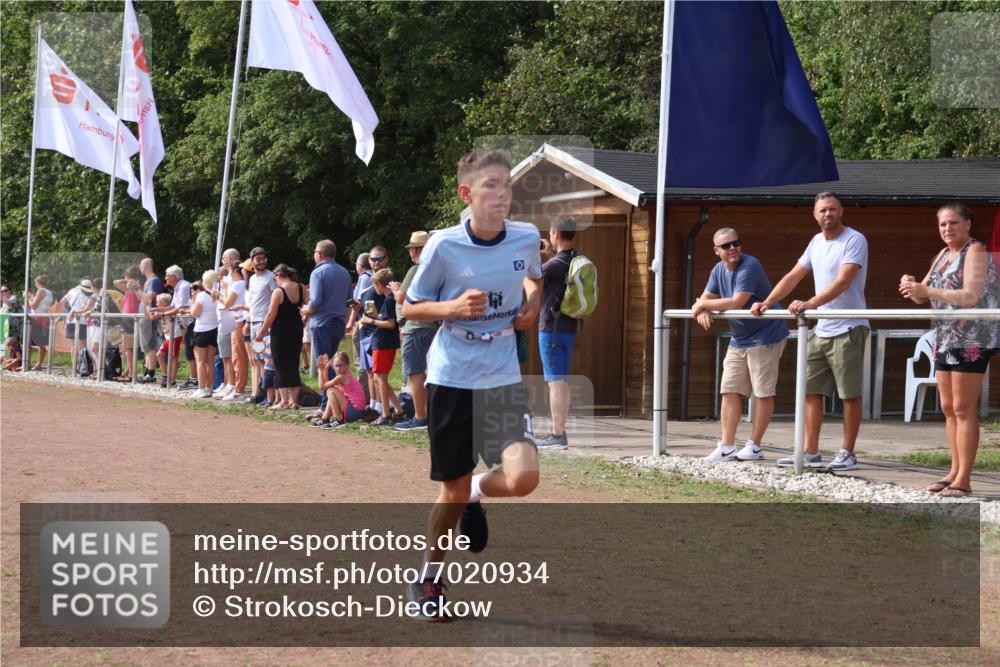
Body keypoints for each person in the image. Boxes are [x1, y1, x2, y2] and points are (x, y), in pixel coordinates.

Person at [402, 148, 542, 619]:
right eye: (491, 186)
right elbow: (411, 306)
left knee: (524, 479)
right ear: (467, 193)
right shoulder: (443, 246)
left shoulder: (526, 237)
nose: (502, 195)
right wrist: (453, 308)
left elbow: (534, 280)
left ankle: (477, 492)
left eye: (507, 186)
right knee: (451, 492)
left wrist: (532, 305)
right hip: (452, 376)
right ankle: (428, 579)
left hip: (501, 373)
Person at [751, 192, 869, 471]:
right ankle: (810, 452)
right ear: (814, 215)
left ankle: (848, 453)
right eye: (823, 210)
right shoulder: (816, 242)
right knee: (809, 391)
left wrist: (810, 304)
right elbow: (794, 275)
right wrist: (767, 302)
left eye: (832, 209)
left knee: (849, 394)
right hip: (821, 328)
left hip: (849, 327)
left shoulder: (854, 239)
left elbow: (843, 281)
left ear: (841, 211)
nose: (828, 214)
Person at [900, 202, 1000, 497]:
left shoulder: (976, 251)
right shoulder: (942, 255)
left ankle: (964, 479)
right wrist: (912, 286)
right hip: (945, 336)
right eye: (942, 224)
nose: (947, 229)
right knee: (948, 408)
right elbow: (922, 296)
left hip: (973, 337)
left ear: (968, 224)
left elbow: (970, 295)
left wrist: (927, 291)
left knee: (962, 408)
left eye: (953, 223)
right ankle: (954, 472)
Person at [693, 228, 789, 462]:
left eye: (736, 243)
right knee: (729, 390)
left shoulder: (750, 265)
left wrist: (703, 306)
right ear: (716, 250)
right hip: (739, 338)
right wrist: (701, 309)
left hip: (766, 335)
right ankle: (727, 446)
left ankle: (754, 447)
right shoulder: (718, 270)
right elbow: (704, 299)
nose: (732, 248)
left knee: (762, 392)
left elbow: (737, 302)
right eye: (726, 246)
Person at [535, 215, 583, 450]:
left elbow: (531, 277)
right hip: (569, 328)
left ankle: (557, 435)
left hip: (551, 330)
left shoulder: (553, 265)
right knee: (562, 381)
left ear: (555, 233)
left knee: (554, 382)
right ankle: (560, 432)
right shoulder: (576, 259)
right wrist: (549, 255)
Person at [394, 231, 436, 431]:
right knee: (431, 374)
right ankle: (431, 414)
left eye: (412, 248)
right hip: (434, 326)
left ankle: (420, 417)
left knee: (415, 373)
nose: (410, 252)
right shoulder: (438, 270)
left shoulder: (415, 269)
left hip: (416, 326)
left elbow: (401, 298)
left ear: (417, 250)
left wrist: (395, 290)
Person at [255, 263, 306, 409]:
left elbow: (271, 315)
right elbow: (308, 307)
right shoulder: (301, 287)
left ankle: (283, 401)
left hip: (280, 331)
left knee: (280, 365)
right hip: (296, 329)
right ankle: (294, 401)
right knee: (293, 364)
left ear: (279, 276)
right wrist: (304, 320)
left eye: (275, 278)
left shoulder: (278, 292)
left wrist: (261, 334)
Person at [360, 268, 403, 426]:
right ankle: (398, 410)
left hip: (384, 342)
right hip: (384, 342)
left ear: (379, 284)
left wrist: (370, 321)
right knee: (380, 378)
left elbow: (390, 324)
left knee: (380, 378)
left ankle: (385, 413)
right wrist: (377, 316)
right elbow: (388, 319)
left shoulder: (389, 300)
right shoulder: (389, 299)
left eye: (375, 285)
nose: (374, 288)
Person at [301, 239, 353, 366]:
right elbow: (349, 301)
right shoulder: (344, 272)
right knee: (333, 364)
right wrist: (346, 321)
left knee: (323, 365)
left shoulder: (318, 272)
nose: (314, 255)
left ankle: (327, 381)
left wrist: (305, 309)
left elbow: (316, 301)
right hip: (339, 323)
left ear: (320, 253)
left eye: (314, 252)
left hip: (322, 324)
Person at [245, 247, 278, 404]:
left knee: (267, 359)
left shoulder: (270, 276)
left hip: (265, 323)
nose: (262, 261)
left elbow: (276, 298)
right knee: (257, 358)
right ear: (252, 261)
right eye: (258, 259)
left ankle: (269, 395)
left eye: (264, 258)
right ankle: (258, 392)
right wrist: (247, 321)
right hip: (254, 322)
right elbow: (252, 302)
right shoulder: (252, 279)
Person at [152, 266, 193, 387]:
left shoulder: (184, 286)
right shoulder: (178, 287)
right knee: (185, 354)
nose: (165, 278)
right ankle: (169, 377)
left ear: (174, 277)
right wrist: (155, 309)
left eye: (167, 275)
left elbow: (179, 308)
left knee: (184, 355)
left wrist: (162, 314)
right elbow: (173, 306)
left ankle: (177, 379)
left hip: (185, 325)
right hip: (182, 326)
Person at [311, 351, 367, 428]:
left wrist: (320, 370)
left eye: (341, 365)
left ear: (347, 365)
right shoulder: (344, 375)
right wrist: (325, 369)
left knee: (331, 391)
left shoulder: (342, 377)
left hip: (354, 412)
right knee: (331, 391)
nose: (338, 368)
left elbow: (322, 387)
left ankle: (338, 419)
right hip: (355, 412)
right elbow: (327, 385)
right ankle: (325, 418)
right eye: (336, 366)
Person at [189, 272, 221, 399]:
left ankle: (201, 388)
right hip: (214, 329)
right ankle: (208, 387)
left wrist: (192, 304)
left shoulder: (202, 295)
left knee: (200, 361)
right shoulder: (218, 295)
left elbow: (195, 313)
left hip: (202, 330)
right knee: (210, 361)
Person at [220, 262, 249, 401]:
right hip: (238, 319)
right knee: (240, 356)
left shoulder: (238, 284)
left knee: (238, 356)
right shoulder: (244, 284)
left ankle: (239, 388)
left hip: (238, 320)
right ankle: (239, 386)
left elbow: (227, 303)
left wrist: (223, 290)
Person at [113, 265, 144, 381]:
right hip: (129, 319)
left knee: (128, 349)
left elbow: (116, 282)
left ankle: (131, 374)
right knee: (127, 349)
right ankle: (128, 371)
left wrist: (128, 280)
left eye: (127, 276)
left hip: (130, 320)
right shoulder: (133, 289)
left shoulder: (134, 288)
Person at [137, 258, 166, 383]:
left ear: (145, 266)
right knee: (146, 346)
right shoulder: (148, 281)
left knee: (150, 345)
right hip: (145, 316)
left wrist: (137, 289)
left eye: (141, 265)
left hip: (149, 316)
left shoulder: (154, 281)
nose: (140, 267)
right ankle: (147, 370)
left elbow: (148, 298)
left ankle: (151, 372)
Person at [58, 278, 94, 373]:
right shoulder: (91, 294)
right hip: (83, 321)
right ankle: (85, 365)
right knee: (84, 345)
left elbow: (62, 302)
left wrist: (65, 313)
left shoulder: (73, 291)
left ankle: (75, 366)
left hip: (71, 320)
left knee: (74, 345)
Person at [153, 292, 182, 386]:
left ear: (165, 303)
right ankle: (166, 375)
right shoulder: (159, 310)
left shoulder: (170, 310)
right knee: (159, 355)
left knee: (173, 357)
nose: (156, 304)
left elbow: (171, 310)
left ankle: (172, 379)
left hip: (175, 335)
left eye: (159, 302)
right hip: (168, 337)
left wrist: (159, 312)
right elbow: (151, 316)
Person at [25, 275, 54, 370]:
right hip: (45, 318)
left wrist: (29, 297)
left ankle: (29, 363)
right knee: (41, 343)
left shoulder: (40, 291)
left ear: (37, 283)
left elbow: (33, 306)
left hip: (37, 318)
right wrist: (32, 298)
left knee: (29, 342)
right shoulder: (50, 292)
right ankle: (38, 364)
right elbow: (40, 305)